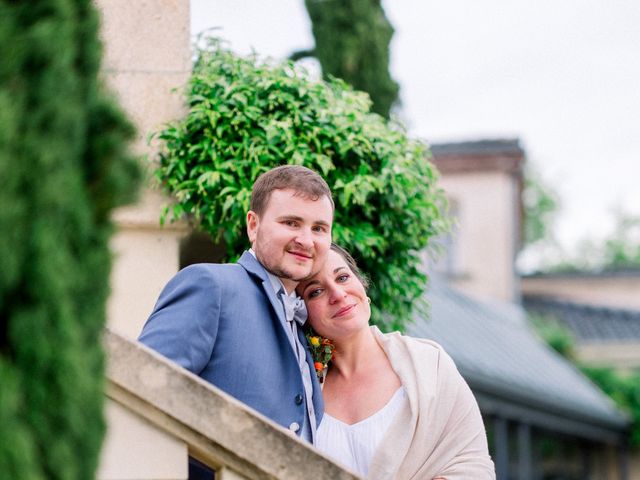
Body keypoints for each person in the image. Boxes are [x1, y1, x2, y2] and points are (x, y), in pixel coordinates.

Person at [139, 165, 334, 448]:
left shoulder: (307, 318)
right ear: (253, 225)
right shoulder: (211, 285)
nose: (305, 240)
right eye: (291, 223)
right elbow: (146, 387)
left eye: (318, 228)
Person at [297, 244, 496, 479]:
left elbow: (474, 465)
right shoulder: (302, 392)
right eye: (315, 291)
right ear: (302, 312)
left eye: (342, 277)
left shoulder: (428, 364)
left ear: (362, 286)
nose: (338, 294)